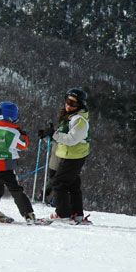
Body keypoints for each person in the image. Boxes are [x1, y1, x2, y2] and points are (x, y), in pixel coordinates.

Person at [0, 101, 37, 224]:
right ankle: (28, 213)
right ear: (11, 116)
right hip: (5, 165)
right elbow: (23, 145)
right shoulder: (13, 132)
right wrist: (24, 135)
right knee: (15, 189)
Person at [40, 88, 91, 223]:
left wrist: (54, 134)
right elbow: (63, 134)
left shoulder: (79, 120)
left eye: (73, 103)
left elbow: (71, 139)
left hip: (74, 156)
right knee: (73, 184)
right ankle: (76, 213)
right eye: (67, 101)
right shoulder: (70, 116)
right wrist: (48, 133)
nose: (69, 105)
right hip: (69, 155)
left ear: (80, 105)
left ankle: (62, 214)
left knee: (59, 183)